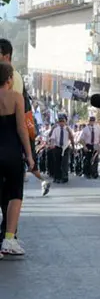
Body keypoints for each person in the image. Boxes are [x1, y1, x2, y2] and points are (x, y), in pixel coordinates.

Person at [0, 62, 33, 256]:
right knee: (15, 195)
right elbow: (22, 128)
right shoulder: (16, 97)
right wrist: (29, 155)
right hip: (12, 152)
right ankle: (9, 240)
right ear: (10, 79)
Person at [48, 114, 74, 183]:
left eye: (63, 121)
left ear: (65, 122)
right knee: (57, 163)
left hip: (65, 148)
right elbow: (53, 138)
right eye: (60, 121)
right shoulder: (56, 129)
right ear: (58, 122)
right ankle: (57, 177)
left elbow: (72, 138)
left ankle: (65, 177)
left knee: (65, 163)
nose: (61, 123)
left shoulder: (68, 129)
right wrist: (52, 144)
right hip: (57, 147)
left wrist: (73, 147)